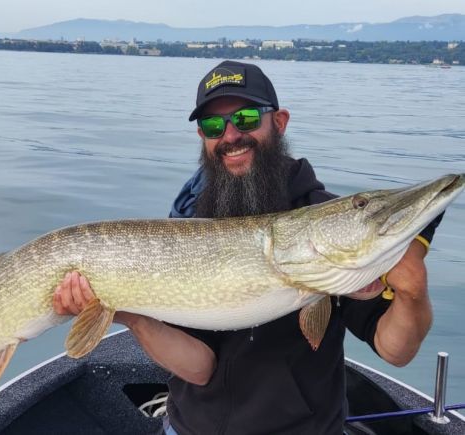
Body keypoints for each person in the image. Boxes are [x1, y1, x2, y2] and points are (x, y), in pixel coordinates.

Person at [52, 60, 441, 434]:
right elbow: (199, 367)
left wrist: (412, 294)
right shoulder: (192, 222)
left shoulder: (331, 224)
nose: (231, 135)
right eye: (213, 125)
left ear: (280, 121)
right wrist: (129, 315)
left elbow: (395, 350)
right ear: (203, 138)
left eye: (247, 119)